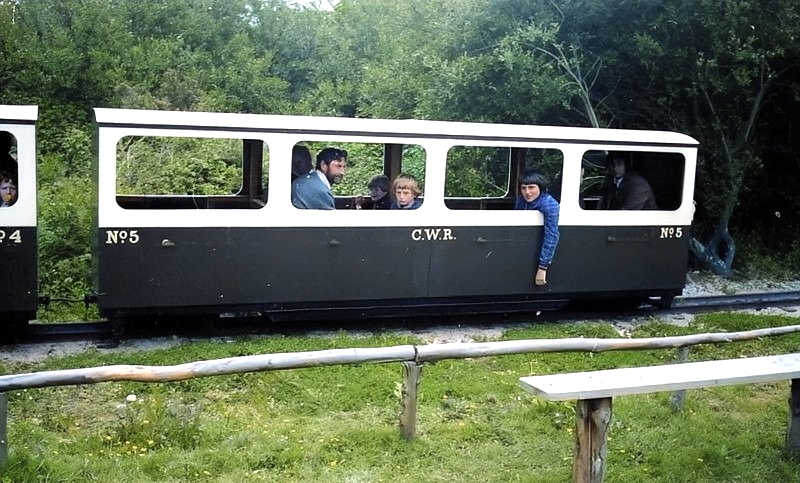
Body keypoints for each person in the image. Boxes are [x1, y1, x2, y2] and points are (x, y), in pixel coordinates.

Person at [514, 169, 560, 286]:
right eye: (523, 188)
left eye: (531, 187)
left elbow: (552, 235)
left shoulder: (549, 204)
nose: (527, 192)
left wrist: (543, 267)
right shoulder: (521, 200)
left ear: (540, 187)